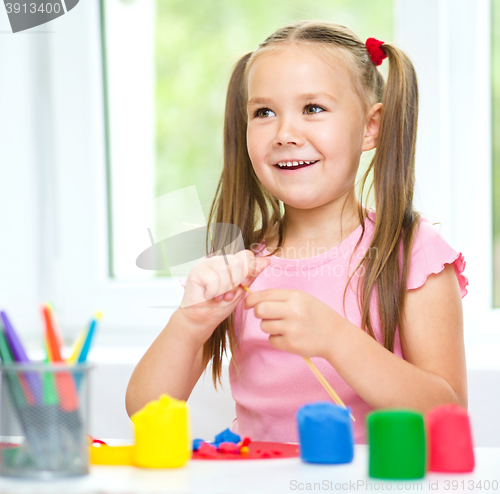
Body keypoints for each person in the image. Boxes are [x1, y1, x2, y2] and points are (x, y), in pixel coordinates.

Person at [126, 20, 468, 444]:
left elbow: (447, 417)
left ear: (371, 127)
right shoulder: (235, 263)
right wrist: (189, 324)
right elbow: (145, 410)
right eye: (264, 112)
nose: (285, 134)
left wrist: (338, 341)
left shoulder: (413, 254)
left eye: (313, 108)